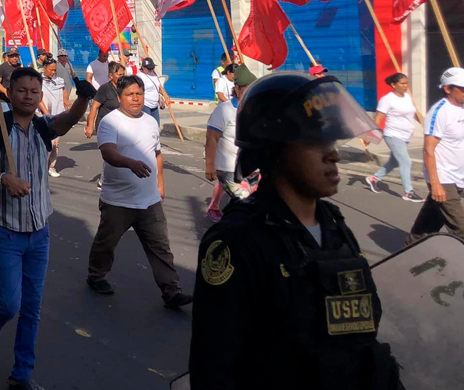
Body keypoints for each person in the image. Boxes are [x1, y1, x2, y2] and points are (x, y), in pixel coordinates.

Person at [189, 72, 402, 389]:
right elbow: (214, 369)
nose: (333, 154)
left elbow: (361, 338)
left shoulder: (333, 224)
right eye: (315, 142)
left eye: (330, 140)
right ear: (274, 151)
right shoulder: (238, 242)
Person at [0, 68, 95, 390]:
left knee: (31, 308)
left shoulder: (42, 126)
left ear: (40, 96)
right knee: (9, 304)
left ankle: (22, 373)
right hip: (6, 230)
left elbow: (68, 120)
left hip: (40, 231)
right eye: (22, 90)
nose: (28, 96)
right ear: (10, 92)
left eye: (33, 91)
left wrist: (83, 96)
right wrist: (3, 178)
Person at [86, 75, 192, 308]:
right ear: (119, 97)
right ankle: (96, 276)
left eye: (139, 94)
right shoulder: (111, 122)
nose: (135, 99)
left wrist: (160, 181)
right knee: (106, 243)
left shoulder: (150, 121)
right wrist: (130, 163)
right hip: (118, 200)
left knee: (160, 247)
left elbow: (157, 153)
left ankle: (171, 291)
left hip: (149, 199)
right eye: (130, 94)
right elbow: (108, 153)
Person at [407, 67, 464, 242]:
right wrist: (435, 184)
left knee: (429, 221)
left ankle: (411, 249)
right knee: (460, 226)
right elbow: (428, 149)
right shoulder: (439, 112)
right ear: (448, 89)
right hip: (443, 177)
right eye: (462, 89)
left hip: (458, 174)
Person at [204, 65, 258, 222]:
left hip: (251, 167)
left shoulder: (255, 109)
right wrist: (209, 166)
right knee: (247, 203)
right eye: (247, 89)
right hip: (228, 169)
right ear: (238, 89)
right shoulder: (224, 110)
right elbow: (211, 138)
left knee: (260, 204)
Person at [365, 72, 425, 202]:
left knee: (394, 161)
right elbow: (378, 119)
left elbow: (414, 113)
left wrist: (424, 124)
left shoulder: (407, 97)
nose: (405, 86)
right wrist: (370, 135)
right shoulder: (387, 100)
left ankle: (374, 178)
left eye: (406, 83)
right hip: (393, 135)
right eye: (402, 83)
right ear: (393, 85)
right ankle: (409, 192)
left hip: (406, 135)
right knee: (405, 161)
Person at [40, 59, 70, 178]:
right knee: (43, 143)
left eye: (55, 70)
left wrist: (66, 100)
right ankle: (40, 165)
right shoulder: (38, 81)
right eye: (51, 70)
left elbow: (64, 92)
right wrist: (46, 112)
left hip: (57, 117)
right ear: (44, 68)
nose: (53, 72)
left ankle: (51, 166)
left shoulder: (59, 80)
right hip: (43, 117)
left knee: (54, 144)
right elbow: (38, 97)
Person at [84, 61, 125, 139]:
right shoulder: (104, 89)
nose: (122, 77)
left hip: (121, 125)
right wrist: (90, 126)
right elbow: (94, 107)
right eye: (119, 75)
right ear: (111, 76)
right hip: (105, 125)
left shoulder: (125, 88)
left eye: (123, 74)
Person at [140, 58, 165, 125]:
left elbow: (158, 87)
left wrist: (163, 97)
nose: (151, 70)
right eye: (149, 68)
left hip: (154, 105)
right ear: (143, 67)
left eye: (152, 68)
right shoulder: (140, 77)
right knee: (148, 125)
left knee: (156, 125)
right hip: (145, 104)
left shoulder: (154, 75)